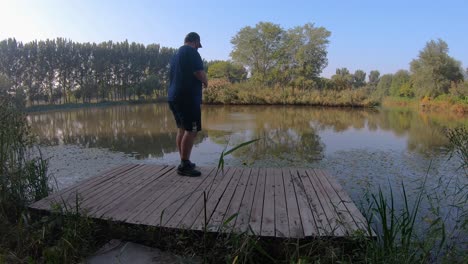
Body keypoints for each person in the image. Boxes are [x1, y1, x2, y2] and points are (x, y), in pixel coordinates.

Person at [168, 32, 208, 177]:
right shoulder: (191, 52)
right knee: (192, 130)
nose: (198, 48)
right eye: (198, 45)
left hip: (174, 97)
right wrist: (206, 81)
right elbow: (198, 72)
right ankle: (184, 165)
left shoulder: (176, 55)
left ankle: (184, 161)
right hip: (188, 98)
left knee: (182, 129)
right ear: (195, 41)